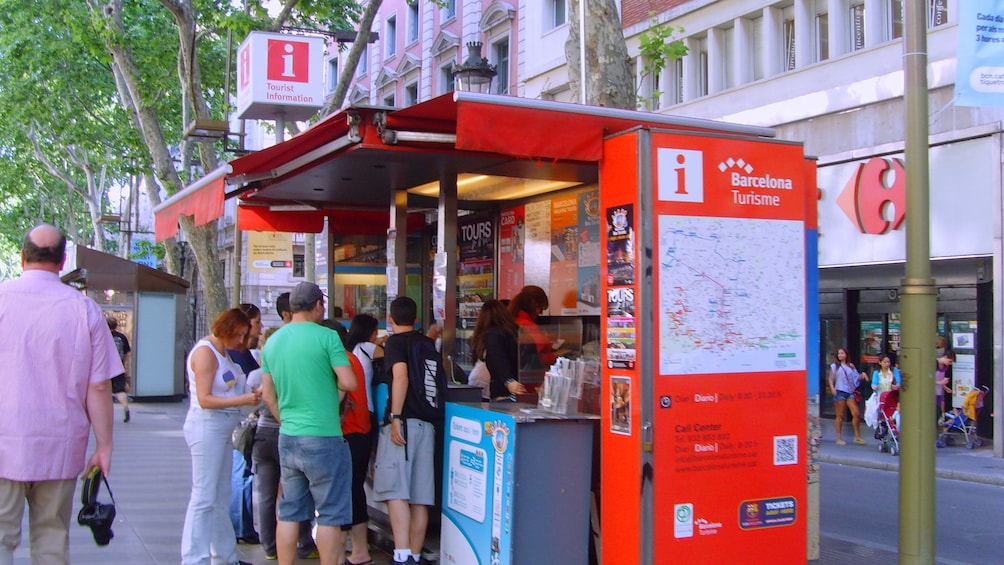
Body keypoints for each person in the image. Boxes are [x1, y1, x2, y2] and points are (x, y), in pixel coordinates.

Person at [0, 224, 122, 564]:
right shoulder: (84, 310)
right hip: (60, 443)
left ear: (22, 257)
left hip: (3, 441)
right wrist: (104, 446)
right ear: (62, 260)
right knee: (52, 538)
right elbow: (99, 385)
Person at [260, 282, 357, 565]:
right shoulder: (327, 337)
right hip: (324, 436)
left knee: (290, 510)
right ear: (318, 306)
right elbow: (349, 381)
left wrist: (285, 420)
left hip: (288, 436)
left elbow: (268, 394)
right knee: (329, 513)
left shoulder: (273, 341)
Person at [181, 308, 261, 565]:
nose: (241, 341)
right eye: (239, 335)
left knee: (219, 495)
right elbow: (205, 399)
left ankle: (224, 556)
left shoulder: (222, 353)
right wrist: (244, 398)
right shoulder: (206, 353)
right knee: (204, 496)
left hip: (221, 428)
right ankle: (194, 557)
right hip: (207, 427)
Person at [373, 297, 437, 565]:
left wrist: (395, 416)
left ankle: (401, 554)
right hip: (428, 424)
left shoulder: (396, 343)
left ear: (391, 318)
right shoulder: (427, 344)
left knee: (396, 489)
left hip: (404, 424)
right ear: (416, 318)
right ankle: (415, 552)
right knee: (421, 495)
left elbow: (401, 376)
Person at [251, 307, 319, 561]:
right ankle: (303, 543)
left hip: (262, 437)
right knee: (296, 494)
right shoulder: (289, 372)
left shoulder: (257, 374)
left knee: (267, 495)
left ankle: (269, 546)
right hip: (287, 435)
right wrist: (286, 422)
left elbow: (264, 398)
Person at [323, 319, 374, 565]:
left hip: (347, 433)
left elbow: (334, 399)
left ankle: (339, 553)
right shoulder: (351, 357)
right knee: (354, 491)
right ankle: (359, 551)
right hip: (361, 432)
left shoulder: (338, 360)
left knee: (342, 495)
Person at [226, 304, 263, 545]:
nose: (259, 329)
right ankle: (241, 526)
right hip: (240, 420)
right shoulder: (235, 354)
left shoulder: (241, 353)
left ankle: (243, 525)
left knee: (243, 472)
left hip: (242, 418)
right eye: (257, 323)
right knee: (241, 473)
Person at [470, 299, 526, 401]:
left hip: (487, 383)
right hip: (512, 385)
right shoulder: (516, 332)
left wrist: (508, 380)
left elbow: (497, 358)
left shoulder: (488, 335)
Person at [508, 285, 567, 371]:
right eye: (540, 307)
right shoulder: (528, 326)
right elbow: (534, 358)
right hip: (531, 378)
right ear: (534, 305)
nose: (541, 312)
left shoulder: (515, 320)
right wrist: (555, 356)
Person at [347, 314, 385, 423]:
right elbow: (388, 354)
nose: (377, 334)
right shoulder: (366, 347)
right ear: (369, 332)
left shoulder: (351, 348)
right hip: (366, 407)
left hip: (352, 406)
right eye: (375, 331)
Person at [827, 347, 866, 445]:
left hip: (850, 392)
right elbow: (831, 378)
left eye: (842, 353)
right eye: (839, 353)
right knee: (840, 415)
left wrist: (863, 375)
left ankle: (857, 436)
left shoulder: (851, 366)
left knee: (856, 413)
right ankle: (839, 437)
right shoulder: (835, 366)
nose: (840, 355)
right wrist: (832, 388)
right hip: (840, 391)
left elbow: (856, 378)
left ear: (846, 355)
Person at [107, 316, 132, 423]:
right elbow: (127, 353)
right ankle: (125, 407)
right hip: (118, 366)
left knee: (104, 390)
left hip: (105, 367)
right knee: (120, 390)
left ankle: (105, 413)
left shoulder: (104, 336)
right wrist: (123, 364)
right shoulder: (122, 337)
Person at [935, 350, 955, 422]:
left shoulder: (945, 366)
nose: (950, 364)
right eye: (949, 361)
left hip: (939, 390)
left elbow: (941, 378)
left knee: (938, 407)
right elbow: (928, 380)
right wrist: (940, 382)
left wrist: (945, 387)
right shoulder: (935, 363)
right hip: (933, 390)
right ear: (945, 357)